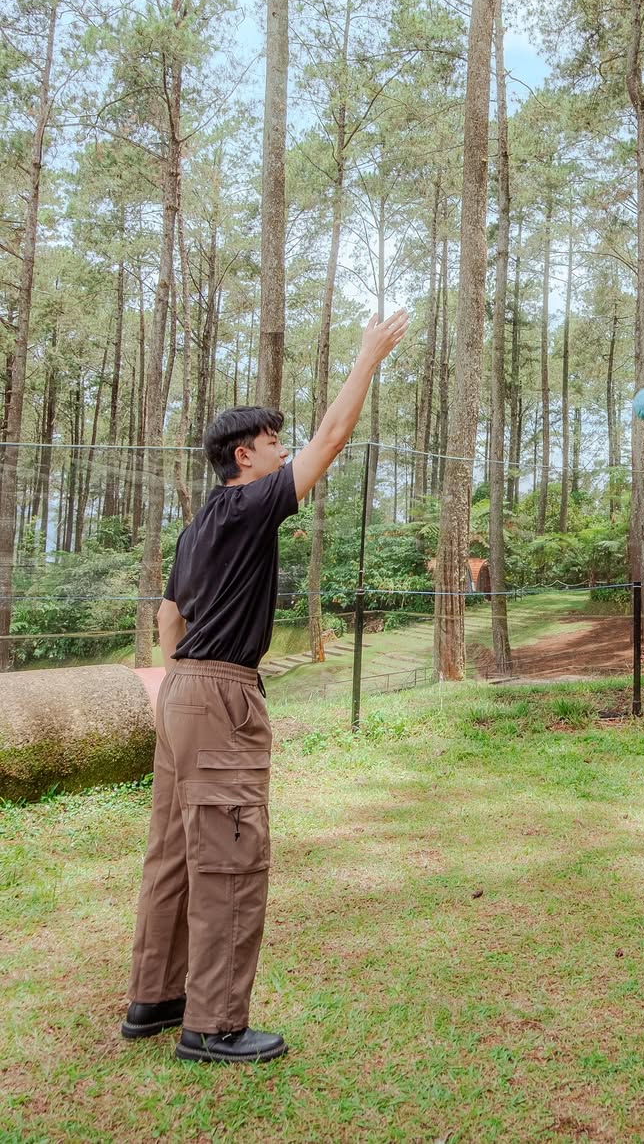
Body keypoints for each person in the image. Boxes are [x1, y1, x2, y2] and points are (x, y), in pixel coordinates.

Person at [121, 310, 409, 1064]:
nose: (287, 451)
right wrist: (367, 356)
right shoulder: (250, 505)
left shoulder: (199, 522)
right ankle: (213, 1024)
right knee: (228, 856)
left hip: (180, 689)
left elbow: (167, 612)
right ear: (246, 457)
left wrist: (168, 691)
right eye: (276, 443)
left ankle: (154, 997)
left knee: (173, 853)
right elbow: (335, 440)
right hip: (216, 694)